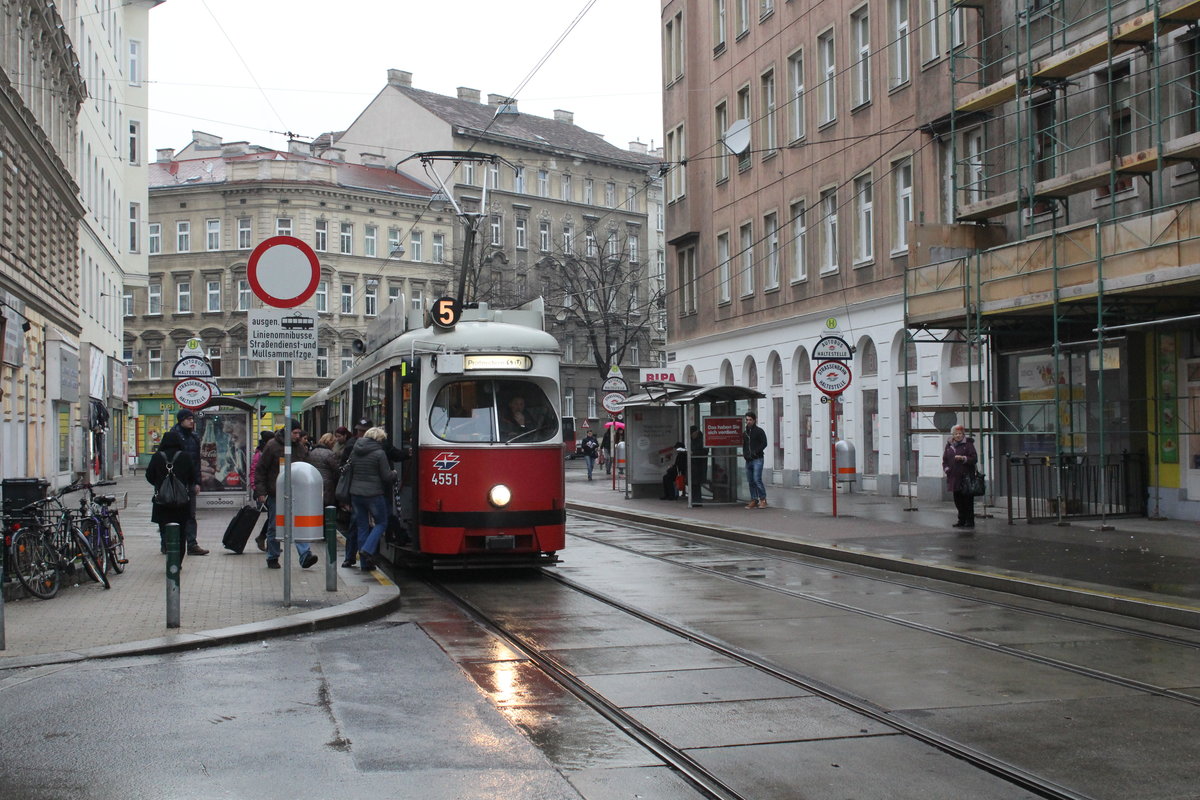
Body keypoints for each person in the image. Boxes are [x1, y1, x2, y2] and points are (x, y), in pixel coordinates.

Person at [253, 419, 318, 570]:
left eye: (299, 433)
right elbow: (260, 470)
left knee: (299, 523)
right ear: (287, 431)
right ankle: (273, 556)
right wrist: (261, 492)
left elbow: (307, 466)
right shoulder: (272, 446)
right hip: (277, 493)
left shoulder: (300, 448)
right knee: (275, 525)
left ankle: (305, 555)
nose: (298, 436)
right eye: (295, 433)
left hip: (297, 492)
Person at [348, 426, 397, 572]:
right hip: (373, 494)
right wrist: (394, 473)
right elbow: (386, 476)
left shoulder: (355, 450)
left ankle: (364, 564)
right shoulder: (379, 453)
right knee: (381, 523)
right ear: (379, 439)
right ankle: (367, 549)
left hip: (356, 494)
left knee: (362, 526)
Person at [145, 430, 197, 556]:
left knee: (164, 526)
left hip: (162, 501)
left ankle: (166, 547)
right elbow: (192, 477)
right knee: (181, 531)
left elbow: (149, 476)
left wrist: (159, 485)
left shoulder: (157, 457)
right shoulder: (185, 457)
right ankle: (178, 560)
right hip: (181, 502)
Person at [170, 409, 209, 555]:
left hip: (190, 482)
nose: (191, 421)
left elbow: (197, 462)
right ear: (181, 420)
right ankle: (168, 543)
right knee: (173, 514)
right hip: (175, 482)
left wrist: (197, 482)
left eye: (192, 418)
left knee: (190, 514)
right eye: (188, 419)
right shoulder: (173, 436)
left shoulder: (194, 437)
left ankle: (192, 544)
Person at [943, 424, 979, 529]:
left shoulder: (968, 444)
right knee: (957, 500)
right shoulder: (949, 445)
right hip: (954, 477)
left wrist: (963, 458)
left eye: (960, 434)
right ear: (953, 435)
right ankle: (961, 520)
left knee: (967, 500)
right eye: (956, 434)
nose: (958, 435)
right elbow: (945, 460)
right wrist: (946, 469)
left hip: (966, 477)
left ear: (963, 434)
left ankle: (969, 521)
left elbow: (974, 458)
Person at [250, 430, 274, 552]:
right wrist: (257, 489)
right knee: (272, 517)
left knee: (272, 517)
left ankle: (265, 539)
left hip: (268, 488)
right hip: (263, 490)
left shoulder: (267, 451)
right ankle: (265, 539)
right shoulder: (260, 454)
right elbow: (254, 471)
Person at [308, 432, 341, 509]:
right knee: (327, 507)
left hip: (314, 482)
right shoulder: (330, 454)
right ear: (330, 442)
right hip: (327, 485)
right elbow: (336, 470)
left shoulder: (312, 452)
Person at [742, 412, 768, 509]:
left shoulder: (759, 431)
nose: (748, 422)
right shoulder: (745, 433)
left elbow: (764, 443)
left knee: (757, 479)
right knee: (750, 481)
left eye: (750, 420)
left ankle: (763, 499)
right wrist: (745, 454)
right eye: (747, 420)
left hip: (757, 459)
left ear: (754, 420)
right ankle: (754, 499)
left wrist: (755, 452)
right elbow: (744, 445)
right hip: (748, 460)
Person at [689, 425, 709, 502]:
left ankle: (697, 500)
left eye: (692, 434)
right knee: (694, 483)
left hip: (700, 464)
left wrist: (693, 453)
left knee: (696, 483)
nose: (691, 436)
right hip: (693, 465)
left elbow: (705, 451)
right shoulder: (693, 439)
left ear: (696, 432)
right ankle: (694, 500)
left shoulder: (702, 439)